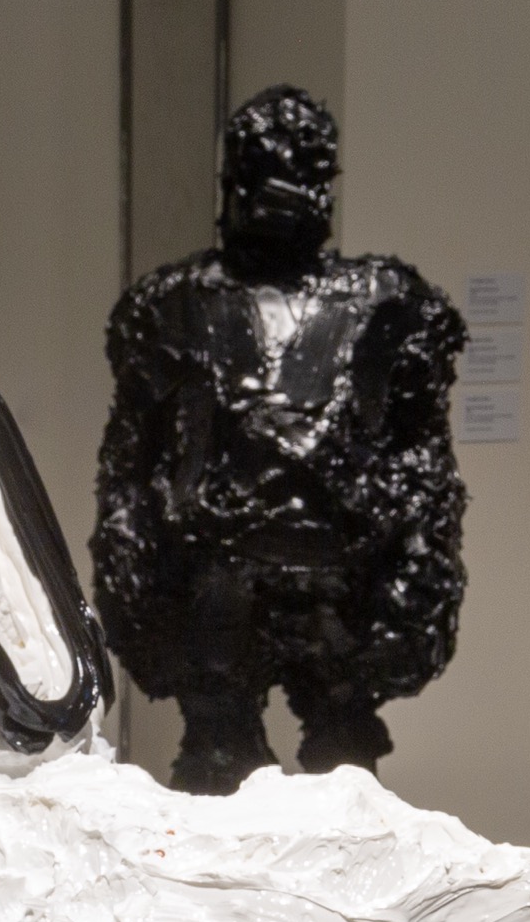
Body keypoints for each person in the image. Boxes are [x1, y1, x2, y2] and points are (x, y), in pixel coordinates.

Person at [92, 85, 466, 792]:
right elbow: (129, 470)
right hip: (214, 581)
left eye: (299, 171)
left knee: (345, 774)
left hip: (342, 585)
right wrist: (131, 594)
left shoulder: (391, 304)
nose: (279, 192)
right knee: (218, 762)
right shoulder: (168, 306)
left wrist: (418, 588)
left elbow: (428, 471)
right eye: (263, 171)